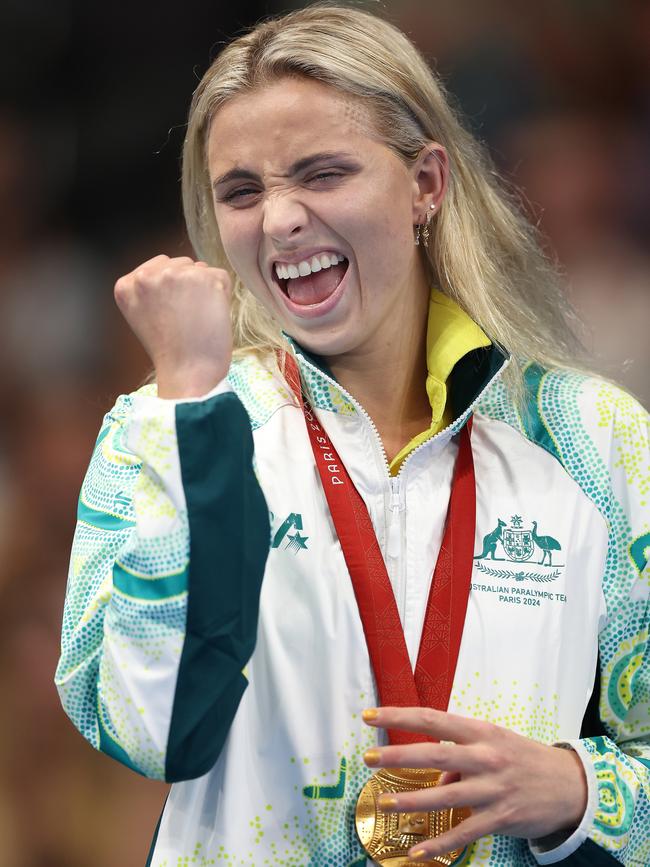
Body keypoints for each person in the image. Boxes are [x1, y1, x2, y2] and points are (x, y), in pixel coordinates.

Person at [55, 5, 649, 865]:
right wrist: (189, 411)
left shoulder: (591, 439)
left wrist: (576, 790)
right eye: (242, 191)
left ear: (426, 185)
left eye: (324, 173)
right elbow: (155, 732)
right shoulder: (163, 431)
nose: (282, 220)